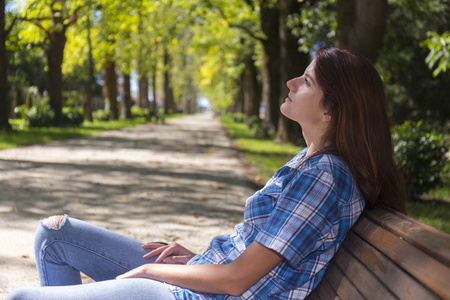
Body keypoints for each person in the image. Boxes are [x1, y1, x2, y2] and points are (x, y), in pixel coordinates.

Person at [6, 46, 406, 300]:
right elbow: (252, 258)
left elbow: (236, 280)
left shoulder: (326, 176)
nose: (290, 82)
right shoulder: (310, 160)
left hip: (202, 297)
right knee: (53, 235)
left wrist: (151, 270)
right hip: (203, 280)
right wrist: (197, 258)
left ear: (329, 110)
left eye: (306, 81)